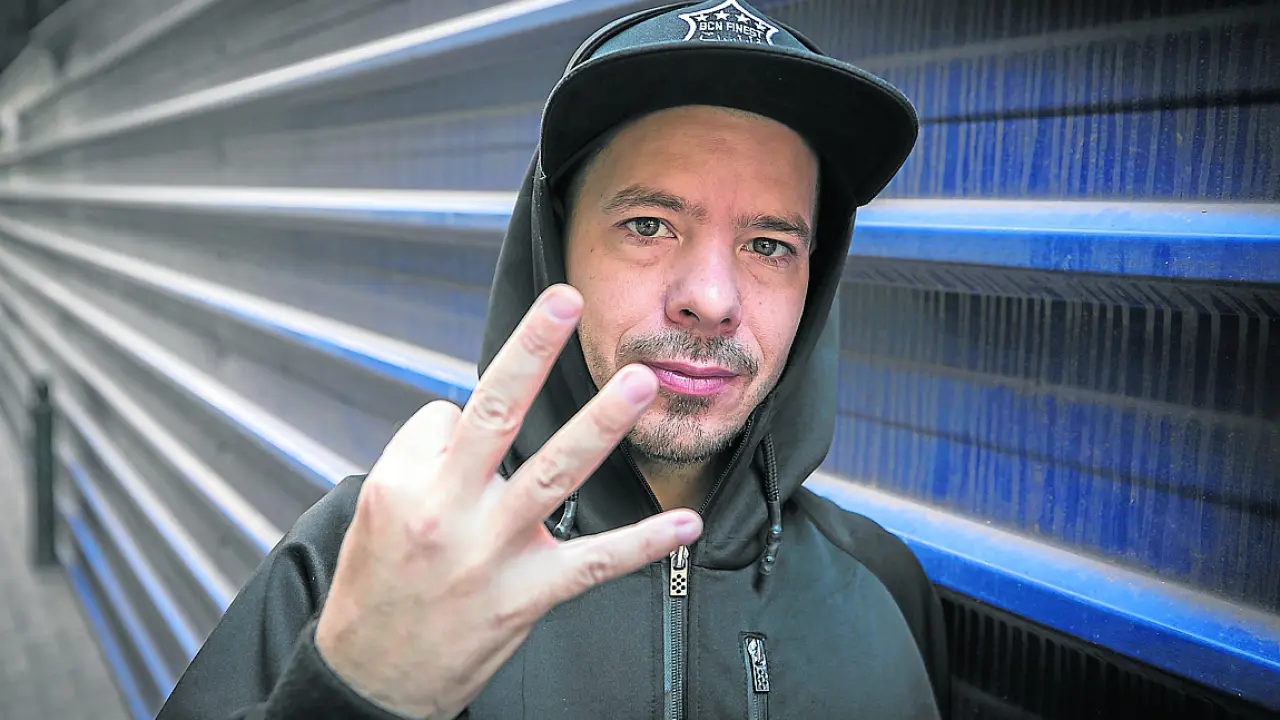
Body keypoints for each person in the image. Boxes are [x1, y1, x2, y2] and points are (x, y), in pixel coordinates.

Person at [156, 1, 949, 718]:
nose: (711, 299)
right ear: (556, 245)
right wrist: (355, 698)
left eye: (769, 244)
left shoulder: (882, 589)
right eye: (648, 225)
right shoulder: (377, 556)